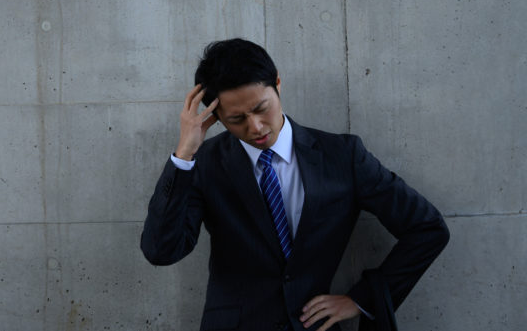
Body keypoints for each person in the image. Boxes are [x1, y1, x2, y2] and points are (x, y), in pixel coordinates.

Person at [140, 39, 448, 331]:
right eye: (236, 119)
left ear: (277, 83)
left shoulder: (342, 156)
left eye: (261, 108)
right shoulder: (203, 163)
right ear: (215, 116)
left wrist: (361, 299)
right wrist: (183, 156)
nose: (256, 127)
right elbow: (161, 251)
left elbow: (428, 228)